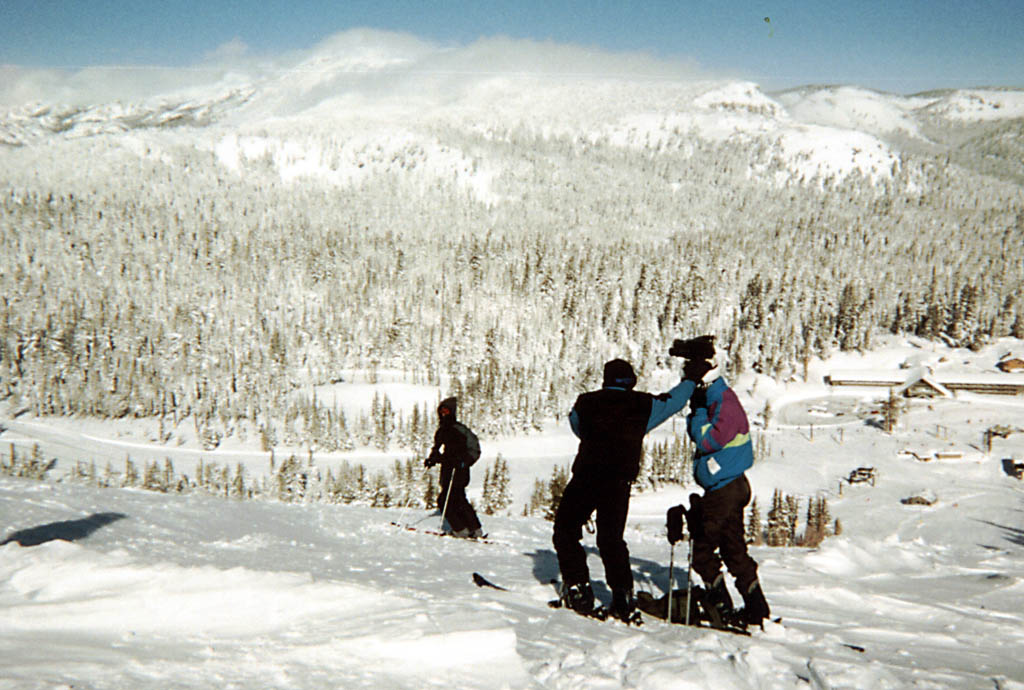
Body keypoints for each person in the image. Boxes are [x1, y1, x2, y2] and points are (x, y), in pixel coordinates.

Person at [552, 358, 699, 622]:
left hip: (586, 475)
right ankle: (622, 595)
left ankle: (578, 589)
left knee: (565, 529)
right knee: (611, 540)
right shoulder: (643, 405)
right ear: (630, 381)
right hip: (618, 481)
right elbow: (673, 402)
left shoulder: (585, 402)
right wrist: (691, 380)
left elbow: (577, 427)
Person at [666, 358, 771, 629]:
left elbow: (707, 440)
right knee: (733, 549)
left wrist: (698, 412)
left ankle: (721, 608)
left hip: (725, 490)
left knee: (702, 551)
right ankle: (757, 610)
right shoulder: (719, 398)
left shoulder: (724, 403)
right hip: (726, 486)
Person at [425, 397, 484, 538]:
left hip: (459, 470)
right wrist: (432, 459)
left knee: (445, 500)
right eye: (441, 412)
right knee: (458, 499)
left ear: (452, 412)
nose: (444, 414)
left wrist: (464, 462)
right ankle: (474, 529)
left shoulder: (459, 430)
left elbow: (475, 450)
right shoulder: (441, 431)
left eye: (446, 411)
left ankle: (460, 529)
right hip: (448, 470)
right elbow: (437, 450)